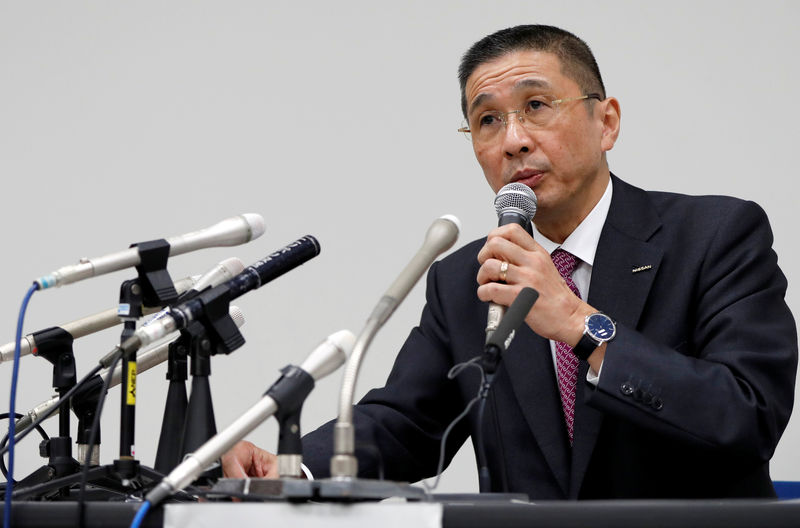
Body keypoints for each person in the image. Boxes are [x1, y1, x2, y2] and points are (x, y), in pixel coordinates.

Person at [222, 24, 797, 499]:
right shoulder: (466, 276)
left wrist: (577, 323)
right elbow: (408, 425)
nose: (513, 140)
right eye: (488, 119)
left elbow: (747, 416)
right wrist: (293, 469)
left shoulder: (716, 234)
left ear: (608, 122)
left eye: (537, 105)